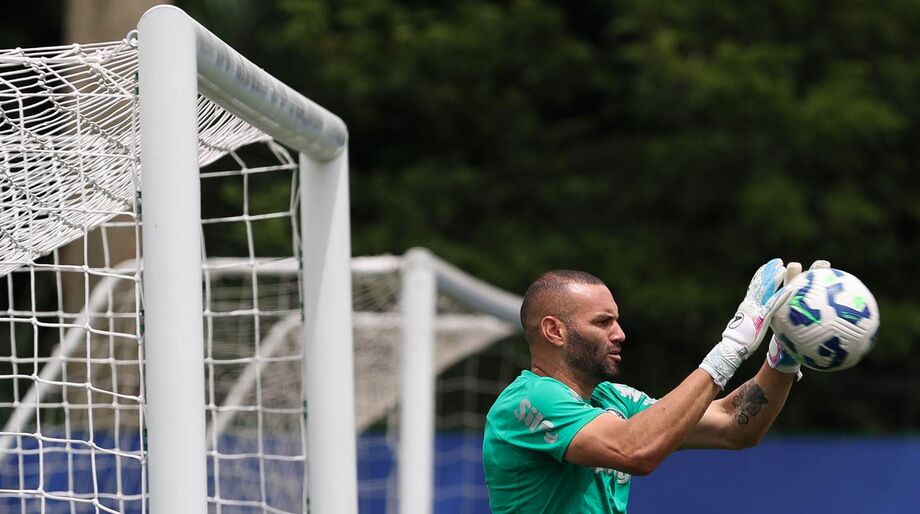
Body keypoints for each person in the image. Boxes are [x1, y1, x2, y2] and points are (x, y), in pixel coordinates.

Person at [483, 259, 825, 513]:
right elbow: (634, 450)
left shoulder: (611, 399)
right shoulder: (529, 399)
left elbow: (733, 426)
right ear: (554, 331)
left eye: (617, 320)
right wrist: (732, 346)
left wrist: (784, 355)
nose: (619, 334)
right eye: (603, 322)